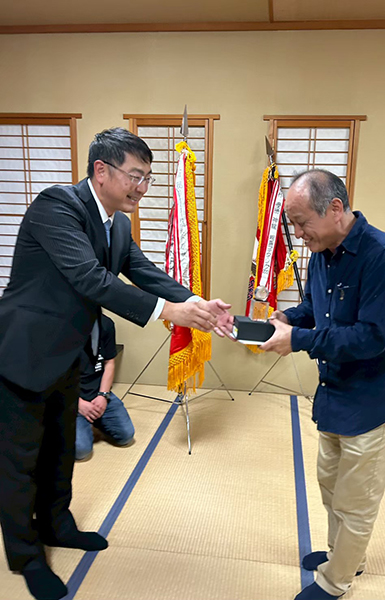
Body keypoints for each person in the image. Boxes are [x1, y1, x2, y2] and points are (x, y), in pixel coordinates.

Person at [0, 127, 232, 600]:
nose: (141, 188)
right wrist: (169, 312)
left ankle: (58, 526)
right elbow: (91, 279)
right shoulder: (56, 206)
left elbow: (141, 271)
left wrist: (195, 302)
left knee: (60, 450)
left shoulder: (118, 224)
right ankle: (26, 557)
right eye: (135, 176)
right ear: (101, 170)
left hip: (70, 354)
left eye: (147, 178)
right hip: (24, 354)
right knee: (20, 462)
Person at [261, 169, 385, 600]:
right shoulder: (321, 253)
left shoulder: (384, 255)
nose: (298, 233)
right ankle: (344, 555)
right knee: (330, 483)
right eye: (293, 224)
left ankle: (336, 580)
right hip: (334, 391)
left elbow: (371, 337)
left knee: (356, 499)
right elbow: (316, 307)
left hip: (374, 398)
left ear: (334, 208)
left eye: (301, 222)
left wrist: (298, 340)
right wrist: (287, 319)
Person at [76, 315, 134, 461]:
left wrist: (103, 395)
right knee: (81, 451)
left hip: (99, 393)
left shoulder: (105, 324)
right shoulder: (60, 326)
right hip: (71, 399)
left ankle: (95, 418)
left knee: (125, 436)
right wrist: (77, 403)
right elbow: (51, 375)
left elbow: (109, 363)